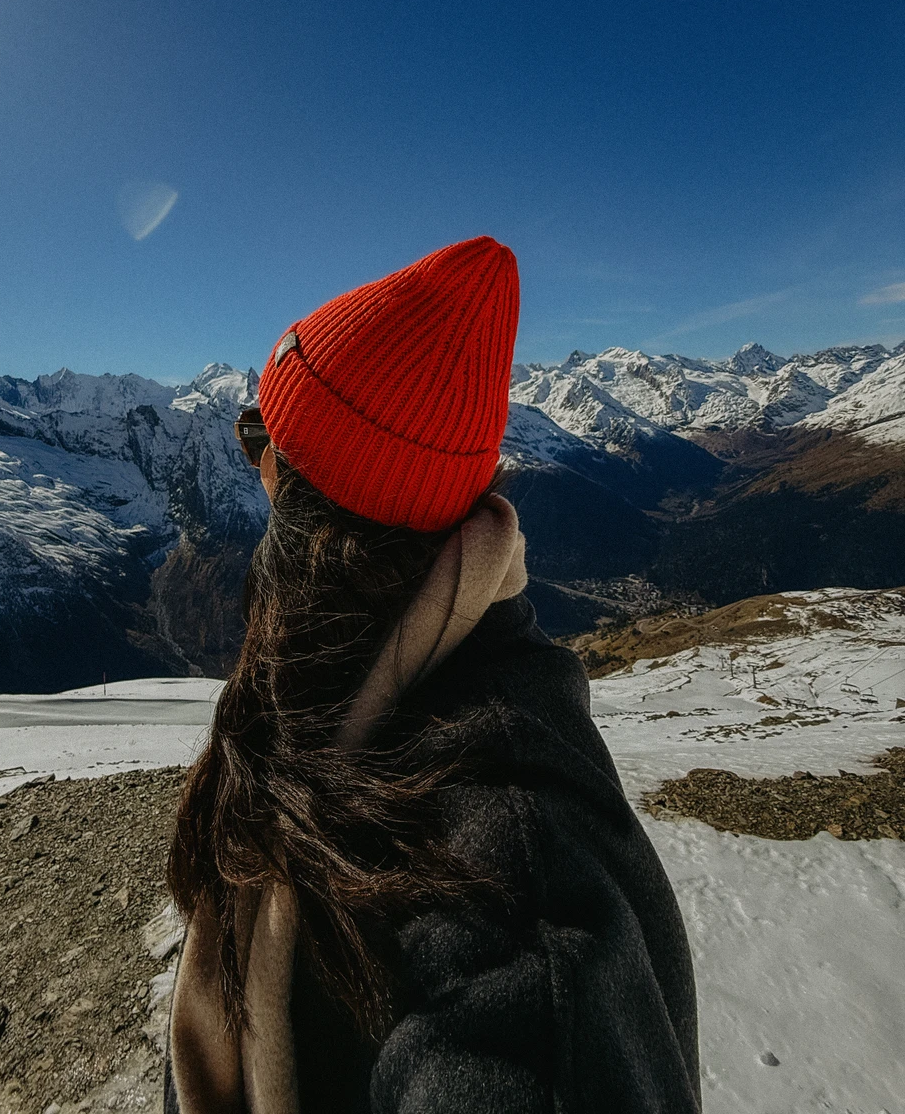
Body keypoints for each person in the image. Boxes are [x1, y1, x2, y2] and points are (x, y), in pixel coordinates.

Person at [164, 236, 701, 1114]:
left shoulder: (515, 904)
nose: (251, 461)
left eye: (262, 440)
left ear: (311, 502)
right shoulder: (347, 695)